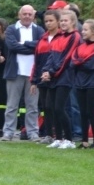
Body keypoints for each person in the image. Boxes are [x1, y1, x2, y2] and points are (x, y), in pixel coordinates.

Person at [2, 5, 44, 142]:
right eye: (24, 14)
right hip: (15, 72)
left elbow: (41, 46)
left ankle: (33, 133)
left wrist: (23, 44)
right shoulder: (11, 29)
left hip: (33, 74)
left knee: (32, 106)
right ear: (19, 15)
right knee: (11, 105)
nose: (27, 16)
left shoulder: (39, 30)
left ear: (33, 16)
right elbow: (12, 46)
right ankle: (8, 132)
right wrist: (31, 46)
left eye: (29, 14)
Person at [41, 9, 81, 149]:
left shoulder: (75, 36)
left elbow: (66, 58)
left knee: (60, 108)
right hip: (54, 76)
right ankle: (58, 138)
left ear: (73, 22)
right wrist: (45, 70)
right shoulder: (59, 37)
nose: (63, 23)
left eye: (66, 20)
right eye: (62, 21)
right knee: (52, 108)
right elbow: (51, 56)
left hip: (65, 76)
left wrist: (52, 72)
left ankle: (69, 139)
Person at [72, 19, 94, 149]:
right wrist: (81, 62)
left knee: (91, 113)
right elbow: (73, 62)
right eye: (82, 29)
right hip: (80, 82)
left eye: (85, 30)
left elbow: (91, 65)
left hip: (93, 83)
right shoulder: (80, 47)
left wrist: (80, 62)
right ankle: (84, 141)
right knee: (83, 113)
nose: (82, 32)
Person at [31, 10, 60, 144]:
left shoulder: (62, 37)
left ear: (57, 21)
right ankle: (48, 135)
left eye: (51, 21)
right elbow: (36, 61)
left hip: (56, 77)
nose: (48, 23)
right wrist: (33, 80)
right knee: (46, 107)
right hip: (42, 78)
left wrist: (52, 73)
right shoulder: (42, 39)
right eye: (46, 21)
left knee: (56, 107)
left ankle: (59, 134)